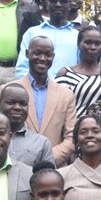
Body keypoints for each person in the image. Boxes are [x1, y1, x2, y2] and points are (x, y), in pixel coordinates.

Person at [18, 36, 79, 164]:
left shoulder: (66, 95)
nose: (42, 58)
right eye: (37, 53)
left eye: (48, 54)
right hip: (17, 167)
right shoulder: (10, 90)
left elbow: (72, 137)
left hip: (55, 170)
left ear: (53, 57)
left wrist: (47, 159)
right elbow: (5, 131)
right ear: (27, 54)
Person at [0, 82, 54, 168]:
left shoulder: (41, 143)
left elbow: (50, 178)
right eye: (11, 102)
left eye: (23, 104)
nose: (17, 108)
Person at [16, 0, 80, 77]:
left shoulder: (78, 36)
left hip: (68, 89)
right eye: (53, 1)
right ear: (47, 4)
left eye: (63, 1)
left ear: (70, 5)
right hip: (35, 89)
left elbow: (81, 68)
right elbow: (22, 69)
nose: (58, 4)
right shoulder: (32, 33)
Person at [55, 24, 101, 116]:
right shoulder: (65, 73)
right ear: (79, 44)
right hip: (71, 127)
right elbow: (57, 107)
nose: (93, 47)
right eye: (88, 42)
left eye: (97, 43)